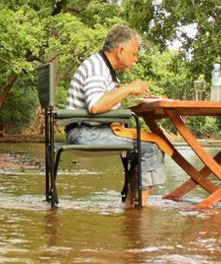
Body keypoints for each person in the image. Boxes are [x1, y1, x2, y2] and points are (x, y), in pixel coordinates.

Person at [65, 25, 167, 207]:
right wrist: (128, 88)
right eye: (134, 54)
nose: (135, 59)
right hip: (83, 133)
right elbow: (96, 106)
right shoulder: (97, 67)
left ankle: (131, 204)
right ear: (121, 50)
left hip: (88, 130)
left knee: (149, 143)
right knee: (151, 146)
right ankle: (139, 209)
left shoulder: (102, 66)